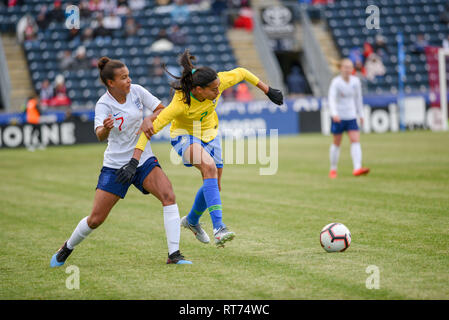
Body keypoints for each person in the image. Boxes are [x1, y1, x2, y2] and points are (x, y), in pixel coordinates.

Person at [121, 49, 283, 247]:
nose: (218, 92)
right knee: (209, 168)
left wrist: (268, 90)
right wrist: (133, 161)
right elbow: (149, 130)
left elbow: (242, 72)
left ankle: (192, 221)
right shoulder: (179, 104)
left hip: (210, 134)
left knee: (215, 184)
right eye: (213, 90)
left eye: (218, 87)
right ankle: (219, 228)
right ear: (198, 90)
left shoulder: (218, 82)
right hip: (183, 136)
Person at [50, 57, 192, 267]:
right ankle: (67, 248)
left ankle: (174, 254)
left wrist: (148, 119)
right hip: (116, 166)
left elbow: (163, 109)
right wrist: (106, 128)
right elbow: (99, 135)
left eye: (128, 75)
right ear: (111, 83)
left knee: (168, 195)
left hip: (143, 159)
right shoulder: (103, 104)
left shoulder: (137, 91)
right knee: (96, 220)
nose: (129, 80)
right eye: (123, 77)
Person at [328, 58, 370, 179]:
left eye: (350, 67)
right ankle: (333, 169)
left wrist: (360, 114)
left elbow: (358, 99)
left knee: (355, 140)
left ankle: (357, 167)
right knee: (337, 143)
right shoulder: (336, 82)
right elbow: (332, 99)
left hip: (351, 116)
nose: (347, 69)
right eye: (345, 67)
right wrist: (334, 113)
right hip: (339, 117)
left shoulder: (356, 81)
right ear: (341, 68)